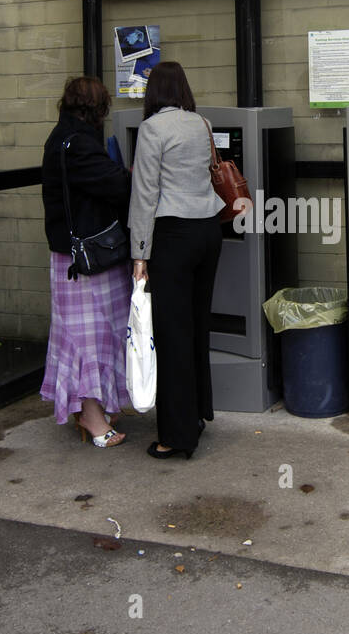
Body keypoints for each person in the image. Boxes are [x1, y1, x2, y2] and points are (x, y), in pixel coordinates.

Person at [128, 61, 224, 459]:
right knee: (197, 326)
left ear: (154, 93)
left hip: (172, 236)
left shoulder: (153, 128)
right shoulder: (200, 124)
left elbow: (145, 194)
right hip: (207, 232)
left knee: (171, 336)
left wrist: (140, 253)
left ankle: (176, 436)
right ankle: (198, 413)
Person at [41, 75, 132, 447]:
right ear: (98, 109)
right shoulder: (78, 144)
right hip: (85, 262)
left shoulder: (64, 138)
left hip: (81, 257)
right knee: (89, 339)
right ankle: (91, 417)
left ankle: (95, 407)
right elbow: (117, 185)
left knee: (98, 336)